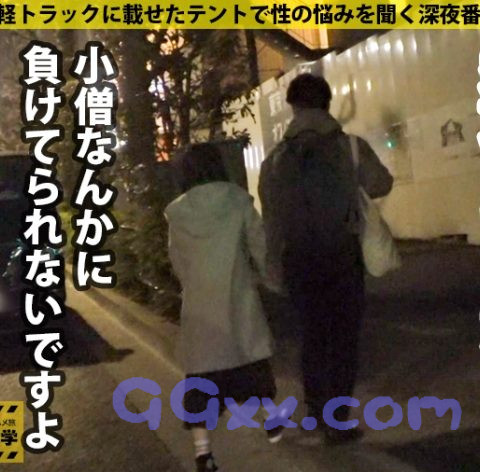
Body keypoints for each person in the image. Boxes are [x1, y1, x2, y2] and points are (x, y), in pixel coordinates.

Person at [258, 73, 393, 444]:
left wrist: (272, 266)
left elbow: (272, 220)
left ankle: (317, 414)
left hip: (298, 260)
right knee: (343, 339)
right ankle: (337, 420)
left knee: (312, 337)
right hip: (342, 256)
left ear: (293, 107)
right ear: (327, 103)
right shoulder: (350, 147)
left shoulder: (275, 161)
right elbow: (381, 183)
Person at [165, 143, 281, 472]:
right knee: (252, 362)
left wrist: (192, 285)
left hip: (201, 308)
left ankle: (203, 453)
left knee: (201, 381)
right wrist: (270, 279)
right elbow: (259, 245)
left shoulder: (177, 212)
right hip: (237, 297)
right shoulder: (237, 200)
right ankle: (272, 421)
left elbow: (177, 261)